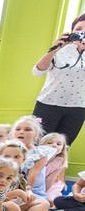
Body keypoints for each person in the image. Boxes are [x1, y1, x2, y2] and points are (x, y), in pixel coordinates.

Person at [32, 14, 85, 145]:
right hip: (48, 104)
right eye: (78, 29)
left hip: (78, 108)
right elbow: (37, 71)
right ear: (72, 32)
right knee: (37, 144)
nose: (82, 32)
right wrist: (54, 49)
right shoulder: (61, 50)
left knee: (63, 147)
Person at [40, 133, 69, 204]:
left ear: (62, 149)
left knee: (51, 200)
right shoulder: (37, 158)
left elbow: (50, 180)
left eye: (58, 144)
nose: (54, 145)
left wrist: (42, 193)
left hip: (51, 185)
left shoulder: (60, 162)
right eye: (49, 143)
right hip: (37, 183)